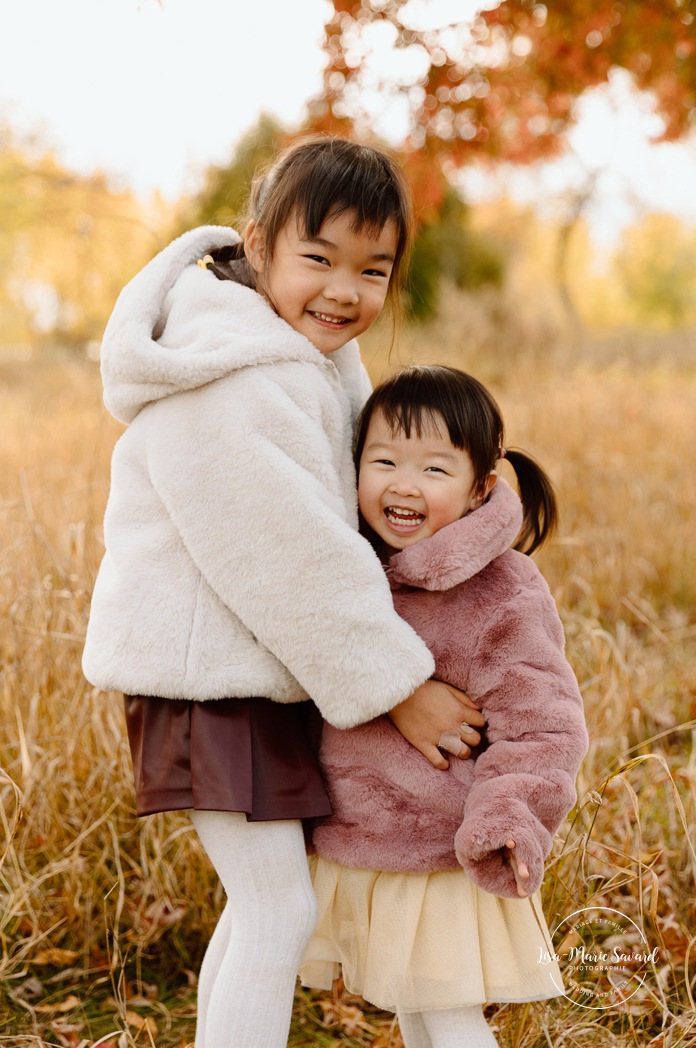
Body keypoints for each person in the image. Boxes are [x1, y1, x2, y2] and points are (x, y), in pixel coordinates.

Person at [81, 138, 485, 1048]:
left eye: (372, 269)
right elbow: (289, 555)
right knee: (277, 909)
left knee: (264, 904)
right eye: (319, 258)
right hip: (207, 682)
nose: (344, 291)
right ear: (259, 244)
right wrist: (399, 687)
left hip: (250, 676)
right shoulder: (228, 378)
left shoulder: (295, 361)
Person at [300, 365, 589, 1048]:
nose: (404, 485)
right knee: (413, 1008)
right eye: (383, 461)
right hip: (361, 837)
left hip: (444, 844)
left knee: (449, 1015)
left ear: (478, 488)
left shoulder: (500, 591)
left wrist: (506, 815)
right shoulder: (347, 568)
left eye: (434, 468)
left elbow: (544, 724)